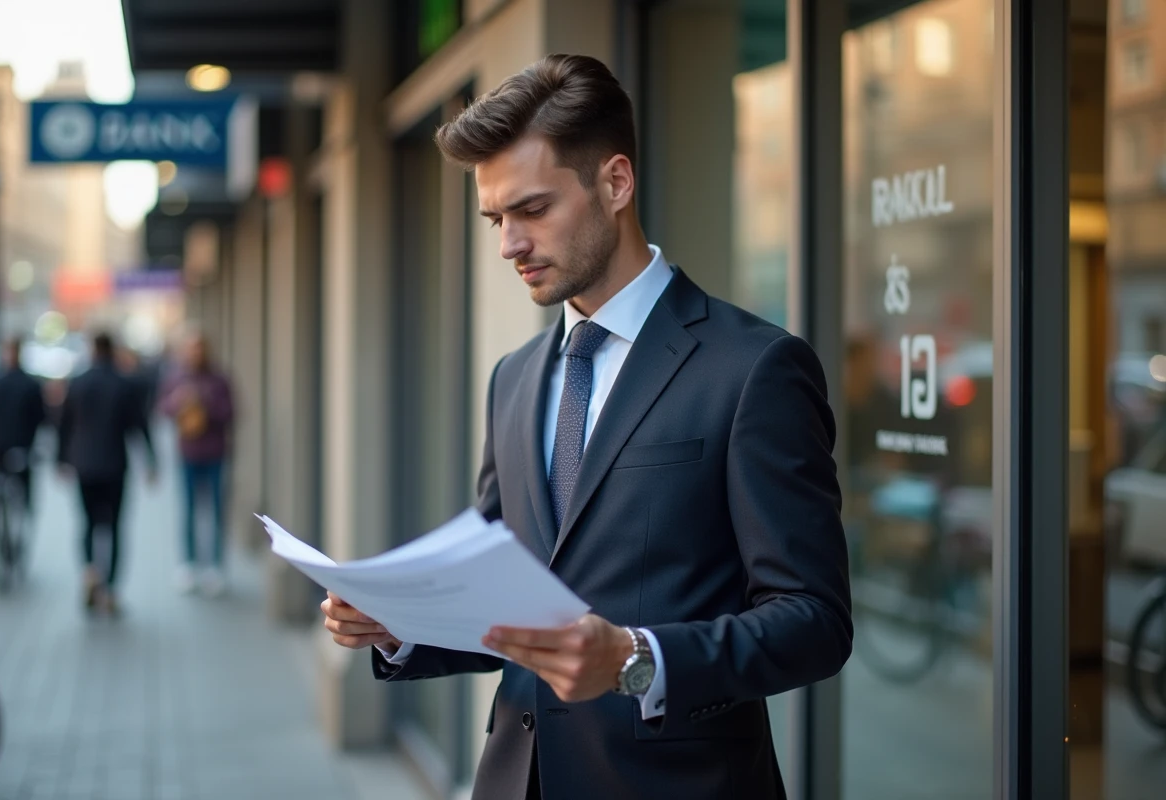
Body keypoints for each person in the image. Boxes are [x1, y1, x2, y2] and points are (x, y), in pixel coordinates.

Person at [321, 54, 852, 799]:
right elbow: (499, 589)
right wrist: (398, 623)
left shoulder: (755, 369)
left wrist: (638, 659)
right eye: (496, 218)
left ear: (616, 182)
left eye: (532, 210)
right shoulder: (513, 378)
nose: (509, 244)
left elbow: (815, 621)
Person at [57, 332, 157, 614]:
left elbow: (63, 424)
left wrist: (60, 460)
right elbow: (140, 425)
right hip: (115, 465)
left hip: (84, 465)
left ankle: (90, 572)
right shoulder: (124, 384)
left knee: (87, 523)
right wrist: (151, 461)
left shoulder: (78, 382)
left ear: (92, 349)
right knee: (114, 527)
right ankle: (110, 589)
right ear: (112, 350)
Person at [157, 331, 235, 597]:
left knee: (215, 511)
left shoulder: (219, 379)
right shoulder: (176, 378)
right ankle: (189, 565)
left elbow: (231, 412)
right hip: (187, 454)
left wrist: (206, 403)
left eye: (199, 348)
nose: (195, 353)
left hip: (215, 453)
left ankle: (215, 567)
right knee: (188, 510)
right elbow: (163, 409)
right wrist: (178, 401)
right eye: (191, 348)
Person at [0, 337, 46, 507]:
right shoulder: (31, 385)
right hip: (22, 444)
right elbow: (40, 417)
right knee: (24, 484)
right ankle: (25, 513)